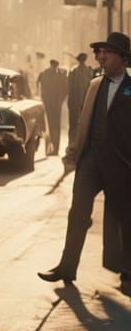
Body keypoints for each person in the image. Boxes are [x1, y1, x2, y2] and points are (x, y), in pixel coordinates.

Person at [38, 31, 131, 295]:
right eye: (99, 52)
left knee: (124, 217)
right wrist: (73, 152)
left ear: (123, 59)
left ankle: (127, 271)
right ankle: (67, 267)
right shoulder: (94, 84)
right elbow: (83, 121)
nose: (100, 57)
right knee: (77, 212)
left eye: (107, 53)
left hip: (120, 163)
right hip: (91, 159)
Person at [36, 58, 67, 155]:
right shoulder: (59, 75)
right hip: (54, 104)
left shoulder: (45, 74)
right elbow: (65, 89)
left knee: (50, 126)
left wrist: (44, 99)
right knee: (54, 126)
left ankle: (50, 150)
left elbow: (40, 87)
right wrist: (60, 101)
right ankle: (53, 149)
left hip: (51, 104)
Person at [67, 52, 94, 141]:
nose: (82, 62)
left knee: (84, 125)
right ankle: (72, 143)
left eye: (83, 60)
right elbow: (69, 88)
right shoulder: (73, 71)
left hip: (86, 101)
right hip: (75, 101)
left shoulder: (88, 71)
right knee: (73, 124)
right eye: (81, 60)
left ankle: (79, 143)